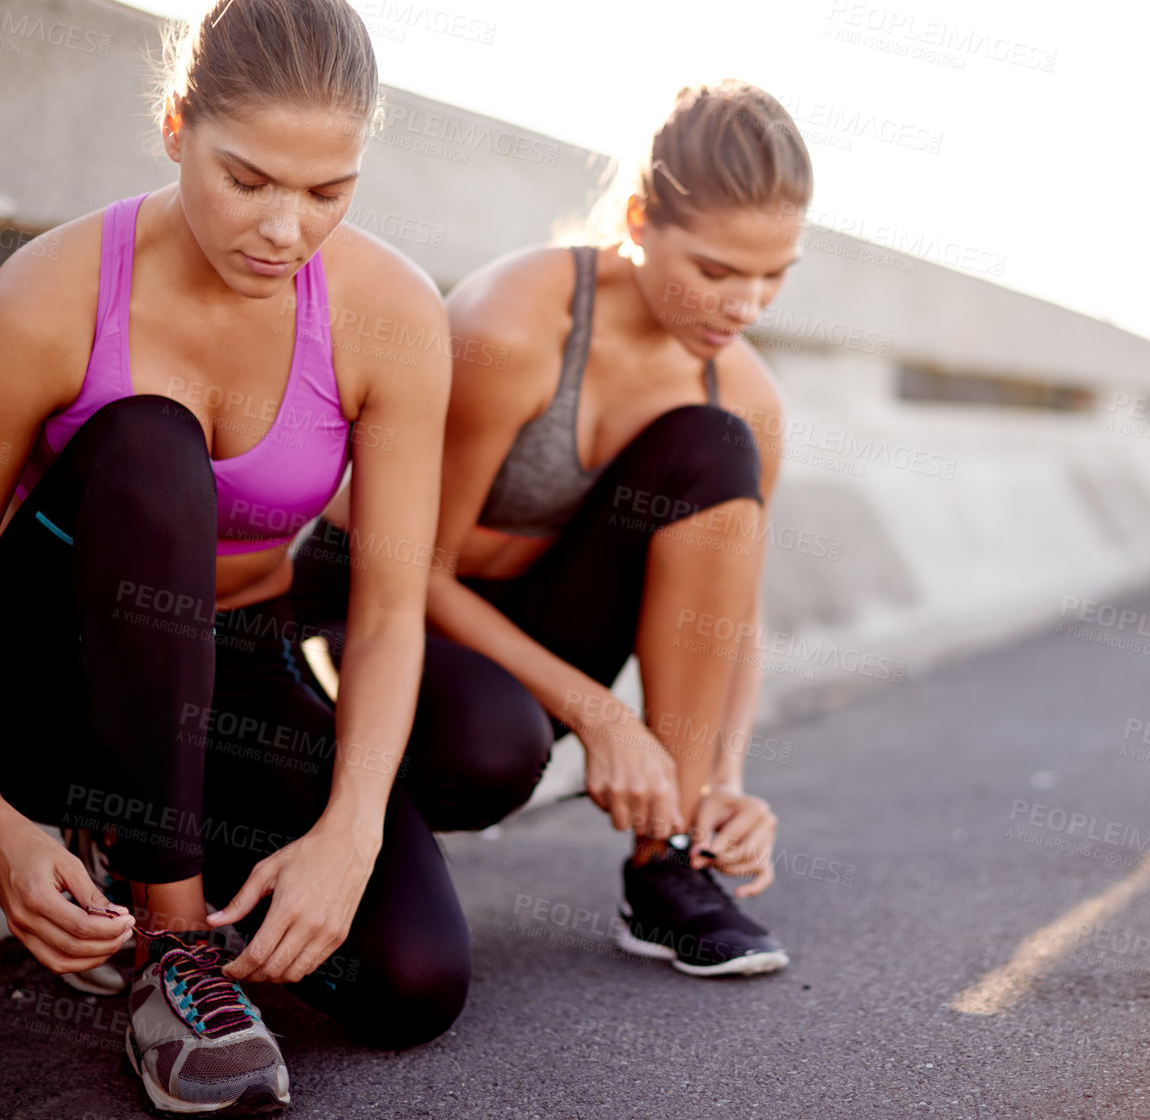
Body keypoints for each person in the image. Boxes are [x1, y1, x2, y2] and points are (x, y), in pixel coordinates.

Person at [0, 0, 463, 1111]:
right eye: (246, 178)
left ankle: (144, 851)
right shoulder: (50, 294)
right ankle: (172, 948)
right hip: (56, 677)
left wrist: (351, 825)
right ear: (175, 128)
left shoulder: (392, 314)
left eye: (328, 190)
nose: (285, 228)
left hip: (232, 664)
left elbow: (386, 609)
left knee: (412, 979)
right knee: (150, 445)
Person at [288, 80, 811, 977]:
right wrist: (600, 712)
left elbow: (735, 616)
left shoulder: (744, 391)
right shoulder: (519, 324)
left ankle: (671, 858)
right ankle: (325, 784)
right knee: (495, 752)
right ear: (641, 220)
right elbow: (408, 565)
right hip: (380, 601)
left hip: (530, 624)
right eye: (717, 271)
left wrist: (722, 785)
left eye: (774, 275)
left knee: (715, 445)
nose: (745, 305)